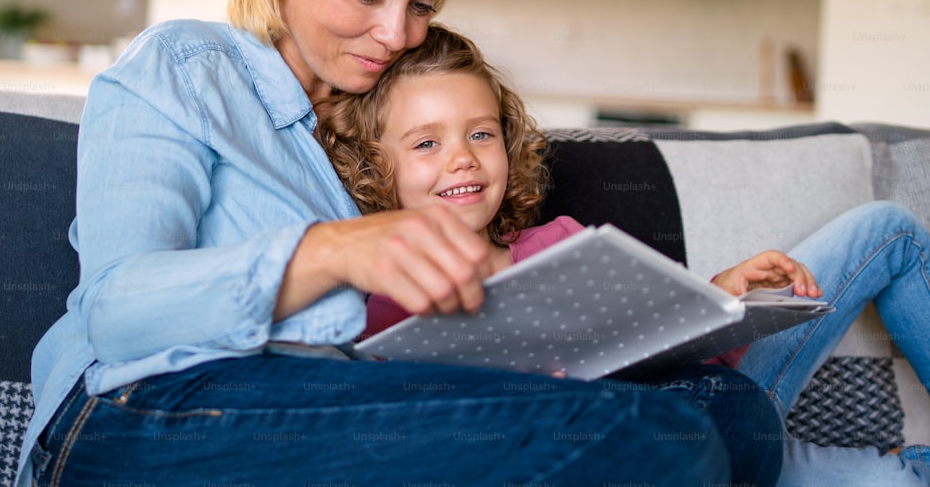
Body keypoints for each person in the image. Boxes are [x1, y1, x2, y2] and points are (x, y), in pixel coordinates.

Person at [16, 0, 769, 486]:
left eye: (423, 6)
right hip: (137, 411)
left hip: (335, 398)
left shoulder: (380, 117)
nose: (398, 33)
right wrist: (334, 249)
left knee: (726, 413)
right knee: (642, 441)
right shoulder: (186, 66)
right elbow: (118, 309)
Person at [317, 24, 930, 486]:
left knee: (889, 229)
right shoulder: (386, 308)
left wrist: (725, 291)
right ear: (376, 167)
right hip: (667, 446)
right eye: (427, 142)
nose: (463, 158)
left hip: (730, 392)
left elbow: (681, 339)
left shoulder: (562, 240)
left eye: (481, 133)